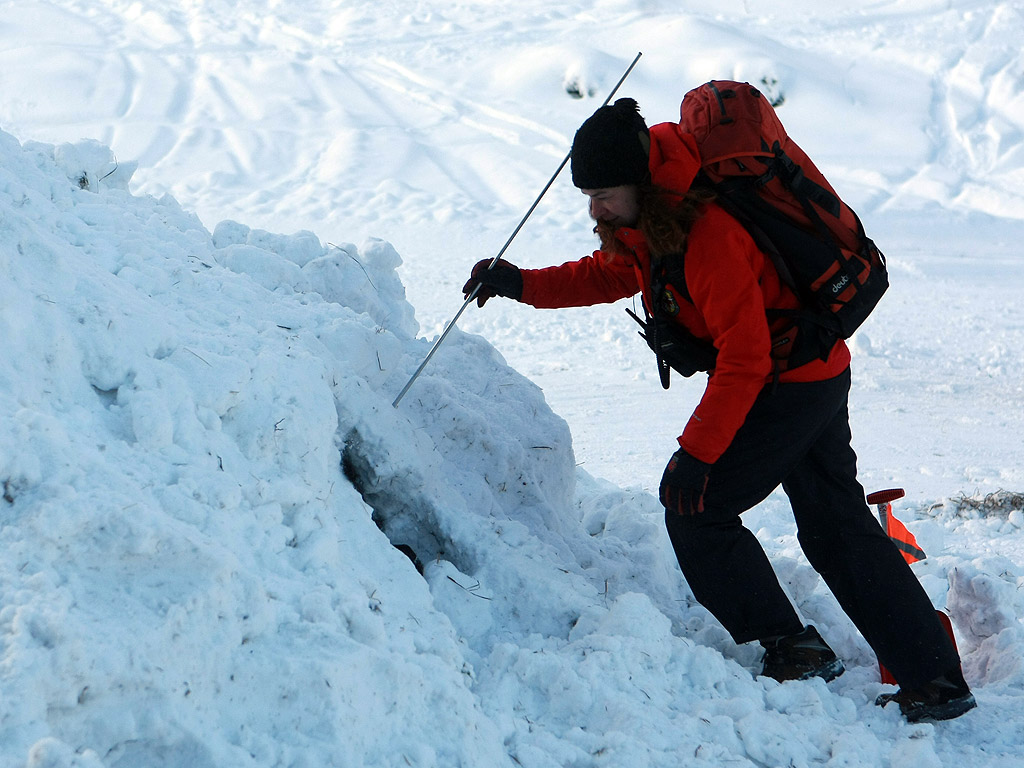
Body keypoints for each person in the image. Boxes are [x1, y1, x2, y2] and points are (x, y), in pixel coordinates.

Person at [462, 97, 976, 723]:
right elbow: (608, 275)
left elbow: (746, 359)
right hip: (807, 374)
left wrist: (697, 453)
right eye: (587, 196)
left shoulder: (707, 233)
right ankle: (935, 679)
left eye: (603, 194)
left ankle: (792, 646)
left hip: (789, 382)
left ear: (640, 183)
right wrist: (519, 283)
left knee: (694, 504)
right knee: (833, 523)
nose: (594, 210)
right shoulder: (658, 219)